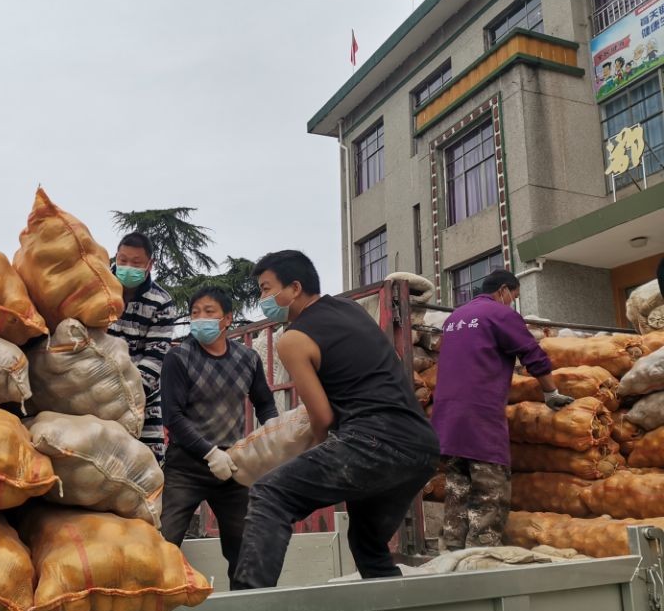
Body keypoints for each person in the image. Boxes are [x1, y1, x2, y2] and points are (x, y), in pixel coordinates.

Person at [230, 251, 439, 589]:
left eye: (266, 289)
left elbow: (322, 417)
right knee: (367, 541)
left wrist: (297, 450)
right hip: (421, 447)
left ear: (294, 288)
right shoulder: (350, 310)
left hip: (373, 441)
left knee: (271, 494)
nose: (262, 299)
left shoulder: (293, 339)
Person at [431, 269, 574, 551]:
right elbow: (533, 354)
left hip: (447, 420)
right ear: (504, 291)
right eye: (514, 297)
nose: (512, 303)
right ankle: (481, 562)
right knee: (489, 494)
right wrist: (551, 392)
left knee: (457, 492)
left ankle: (450, 554)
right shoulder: (500, 313)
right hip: (480, 417)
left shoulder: (455, 319)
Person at [160, 286, 278, 584]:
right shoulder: (179, 358)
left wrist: (274, 434)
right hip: (187, 464)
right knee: (165, 538)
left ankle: (247, 608)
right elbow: (173, 417)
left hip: (232, 464)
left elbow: (264, 402)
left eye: (209, 312)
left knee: (245, 544)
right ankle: (156, 605)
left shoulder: (248, 359)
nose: (200, 318)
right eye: (195, 312)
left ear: (227, 318)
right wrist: (209, 452)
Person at [108, 232, 178, 462]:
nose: (128, 267)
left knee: (149, 460)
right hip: (93, 388)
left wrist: (127, 397)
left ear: (150, 264)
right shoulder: (98, 291)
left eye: (136, 263)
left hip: (142, 396)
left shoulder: (161, 303)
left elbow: (154, 359)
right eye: (122, 260)